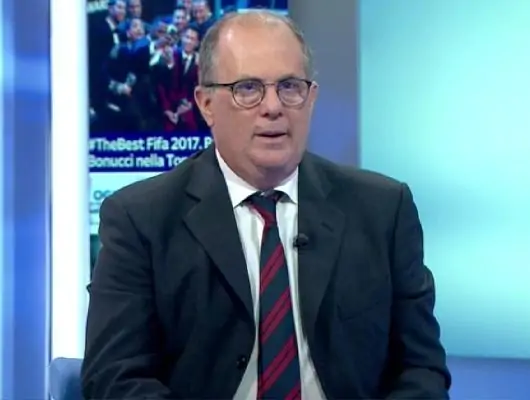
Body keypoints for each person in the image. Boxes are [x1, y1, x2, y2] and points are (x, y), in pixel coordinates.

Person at [81, 10, 451, 399]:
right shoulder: (141, 219)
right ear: (206, 104)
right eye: (248, 88)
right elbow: (114, 376)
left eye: (290, 87)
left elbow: (421, 369)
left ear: (311, 98)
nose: (273, 107)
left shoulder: (383, 210)